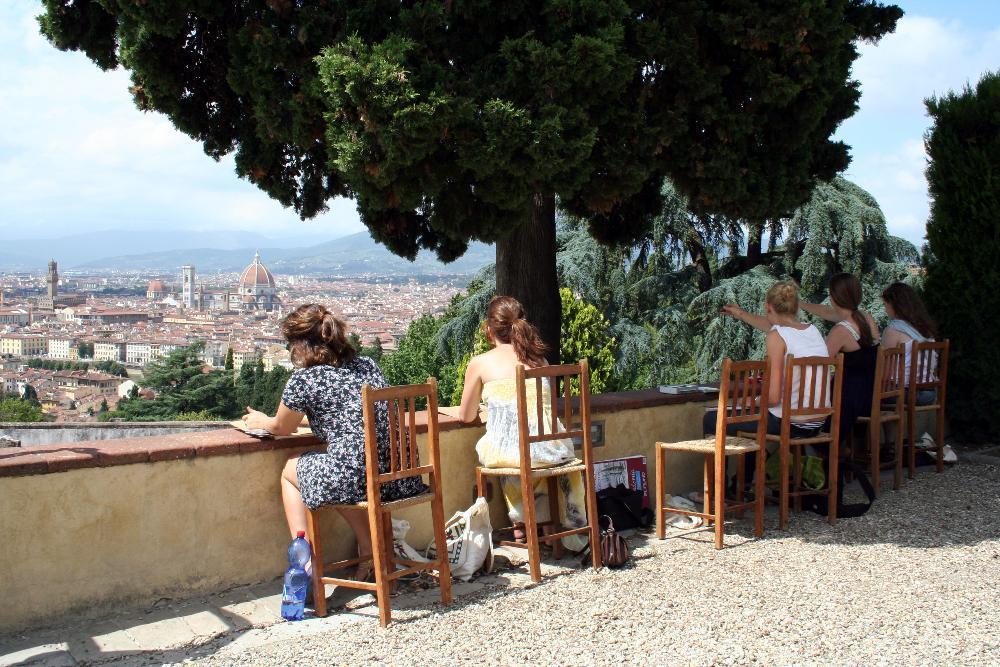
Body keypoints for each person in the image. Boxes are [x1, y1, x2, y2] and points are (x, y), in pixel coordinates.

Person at [244, 304, 425, 581]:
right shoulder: (367, 366)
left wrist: (259, 420)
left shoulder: (305, 378)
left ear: (301, 344)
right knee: (337, 472)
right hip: (399, 476)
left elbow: (281, 427)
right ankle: (372, 552)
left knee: (294, 472)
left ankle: (304, 559)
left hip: (359, 477)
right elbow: (350, 414)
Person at [447, 295, 588, 547]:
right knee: (530, 452)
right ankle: (551, 527)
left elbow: (466, 415)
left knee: (506, 448)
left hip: (518, 452)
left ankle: (522, 525)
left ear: (489, 330)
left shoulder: (480, 363)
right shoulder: (540, 360)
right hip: (555, 447)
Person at [711, 280, 831, 438]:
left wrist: (751, 400)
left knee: (712, 419)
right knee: (755, 419)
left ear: (768, 307)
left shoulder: (776, 336)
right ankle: (758, 463)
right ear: (795, 307)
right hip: (818, 422)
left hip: (790, 423)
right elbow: (778, 328)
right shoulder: (813, 331)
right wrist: (740, 314)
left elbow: (773, 398)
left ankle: (732, 464)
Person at [799, 272, 881, 436]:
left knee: (802, 419)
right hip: (869, 395)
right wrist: (800, 304)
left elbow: (819, 363)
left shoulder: (841, 330)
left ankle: (837, 452)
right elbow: (828, 312)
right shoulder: (866, 318)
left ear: (834, 297)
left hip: (848, 400)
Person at [880, 282, 938, 405]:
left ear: (894, 305)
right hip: (930, 393)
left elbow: (885, 373)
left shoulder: (894, 329)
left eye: (885, 304)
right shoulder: (926, 329)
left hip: (904, 393)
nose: (885, 309)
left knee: (862, 392)